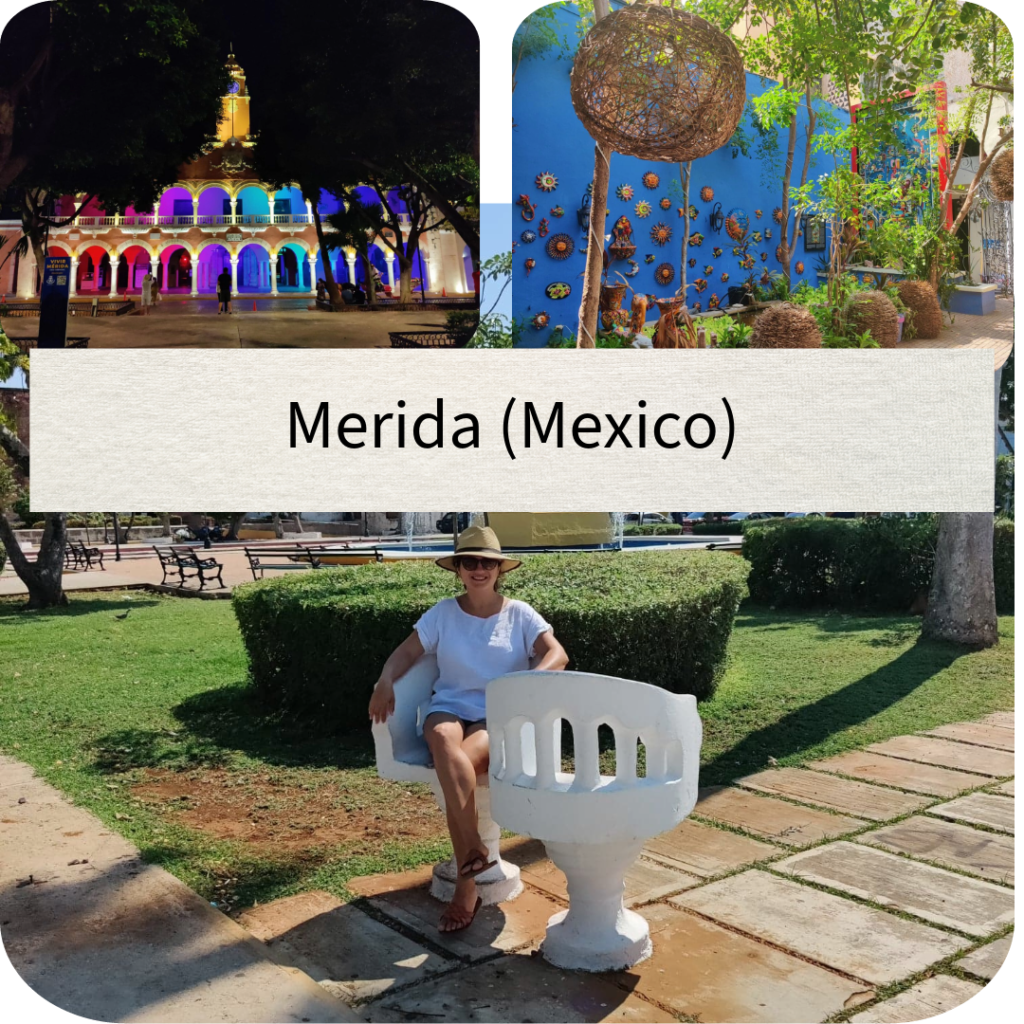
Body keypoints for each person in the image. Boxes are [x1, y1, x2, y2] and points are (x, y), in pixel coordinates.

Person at [369, 525, 568, 934]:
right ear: (458, 568)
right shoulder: (443, 612)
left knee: (454, 764)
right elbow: (406, 652)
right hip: (448, 708)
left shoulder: (520, 613)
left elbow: (557, 654)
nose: (479, 569)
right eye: (469, 561)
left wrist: (523, 684)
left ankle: (466, 883)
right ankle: (475, 851)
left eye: (487, 563)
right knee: (442, 739)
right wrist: (386, 680)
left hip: (497, 716)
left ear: (499, 569)